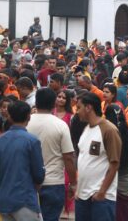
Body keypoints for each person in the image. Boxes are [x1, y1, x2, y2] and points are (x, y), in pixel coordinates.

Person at [26, 89, 77, 221]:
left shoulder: (25, 123)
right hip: (54, 183)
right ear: (54, 103)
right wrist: (73, 183)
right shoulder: (60, 125)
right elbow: (68, 157)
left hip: (28, 182)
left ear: (36, 102)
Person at [0, 100, 45, 221]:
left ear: (9, 117)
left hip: (4, 200)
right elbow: (39, 175)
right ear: (28, 116)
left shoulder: (0, 140)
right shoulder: (32, 141)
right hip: (24, 200)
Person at [74, 92, 122, 221]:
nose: (77, 112)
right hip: (83, 196)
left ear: (89, 107)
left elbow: (114, 163)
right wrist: (78, 188)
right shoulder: (86, 129)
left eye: (79, 107)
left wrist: (102, 192)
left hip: (101, 198)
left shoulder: (109, 130)